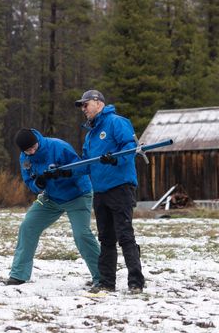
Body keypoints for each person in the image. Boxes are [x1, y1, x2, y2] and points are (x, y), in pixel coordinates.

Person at [7, 128, 101, 287]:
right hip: (50, 198)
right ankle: (18, 275)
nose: (31, 151)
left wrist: (64, 172)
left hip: (77, 195)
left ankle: (102, 276)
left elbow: (82, 168)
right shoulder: (25, 158)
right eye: (27, 150)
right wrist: (39, 184)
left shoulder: (58, 146)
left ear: (37, 141)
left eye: (33, 147)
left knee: (81, 235)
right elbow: (29, 181)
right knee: (28, 226)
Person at [75, 89, 145, 294]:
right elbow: (85, 164)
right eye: (81, 106)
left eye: (85, 104)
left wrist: (115, 157)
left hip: (120, 187)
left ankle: (136, 282)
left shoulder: (116, 122)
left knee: (125, 235)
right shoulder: (90, 135)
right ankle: (106, 282)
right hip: (101, 191)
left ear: (98, 103)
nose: (83, 109)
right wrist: (62, 172)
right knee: (105, 238)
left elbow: (130, 147)